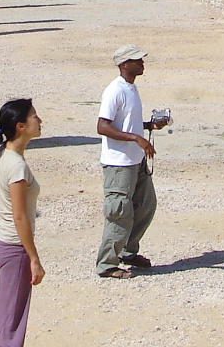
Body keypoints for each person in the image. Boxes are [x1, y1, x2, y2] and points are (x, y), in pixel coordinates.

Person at [0, 99, 44, 347]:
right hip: (13, 248)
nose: (40, 120)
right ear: (21, 126)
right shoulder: (17, 165)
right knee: (9, 325)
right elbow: (20, 216)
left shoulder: (0, 152)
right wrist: (33, 257)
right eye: (35, 116)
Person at [95, 44, 167, 278]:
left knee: (146, 205)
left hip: (135, 162)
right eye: (137, 60)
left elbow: (124, 122)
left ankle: (128, 251)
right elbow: (102, 126)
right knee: (119, 212)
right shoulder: (115, 90)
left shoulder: (131, 89)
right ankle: (107, 264)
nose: (142, 63)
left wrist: (148, 126)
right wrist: (137, 138)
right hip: (119, 164)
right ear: (124, 65)